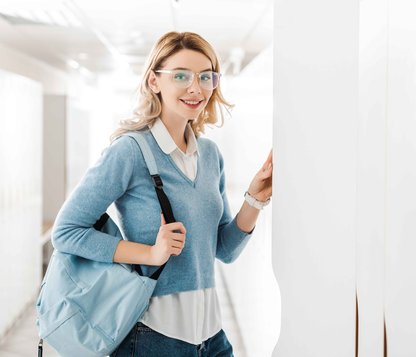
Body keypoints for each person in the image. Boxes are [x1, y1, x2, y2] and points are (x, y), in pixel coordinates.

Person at [51, 31, 272, 357]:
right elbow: (67, 232)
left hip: (212, 338)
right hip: (155, 337)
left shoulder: (210, 155)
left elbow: (224, 249)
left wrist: (254, 199)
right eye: (181, 75)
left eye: (206, 76)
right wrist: (149, 254)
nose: (196, 88)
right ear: (154, 81)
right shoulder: (130, 151)